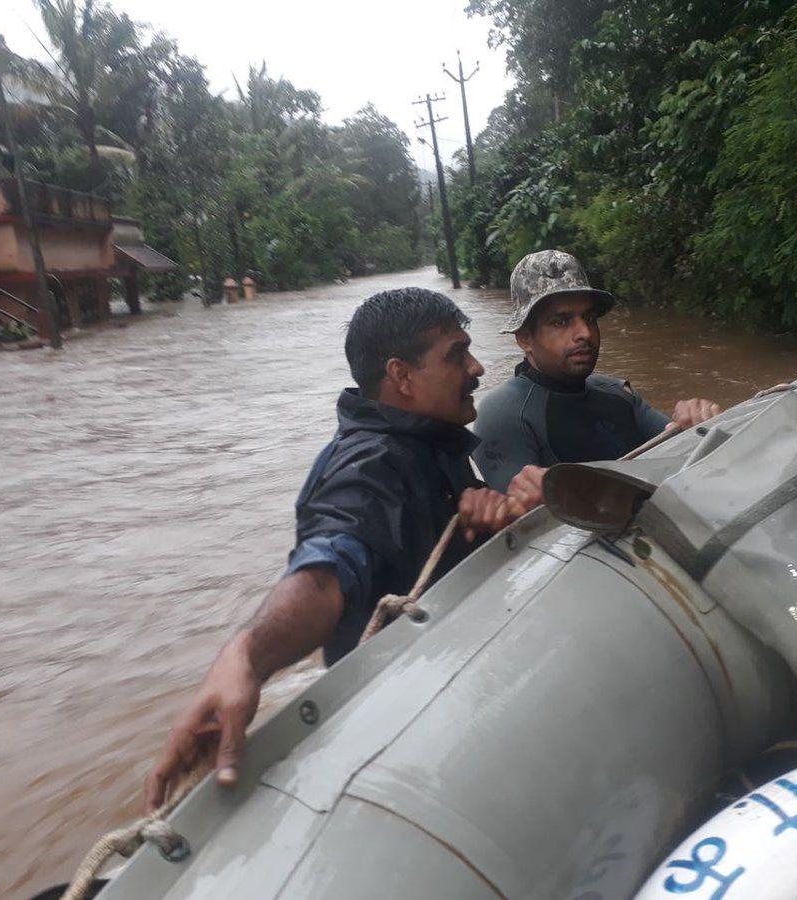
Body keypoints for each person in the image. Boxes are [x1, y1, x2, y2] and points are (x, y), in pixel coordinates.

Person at [146, 287, 521, 811]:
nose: (476, 368)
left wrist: (493, 516)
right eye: (456, 355)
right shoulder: (368, 469)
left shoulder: (425, 443)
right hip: (401, 724)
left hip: (446, 681)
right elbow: (326, 572)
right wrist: (246, 658)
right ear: (402, 376)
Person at [473, 250, 722, 510]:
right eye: (561, 321)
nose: (585, 333)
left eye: (589, 318)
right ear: (525, 338)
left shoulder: (617, 393)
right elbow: (520, 524)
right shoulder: (502, 416)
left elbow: (686, 453)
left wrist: (695, 423)